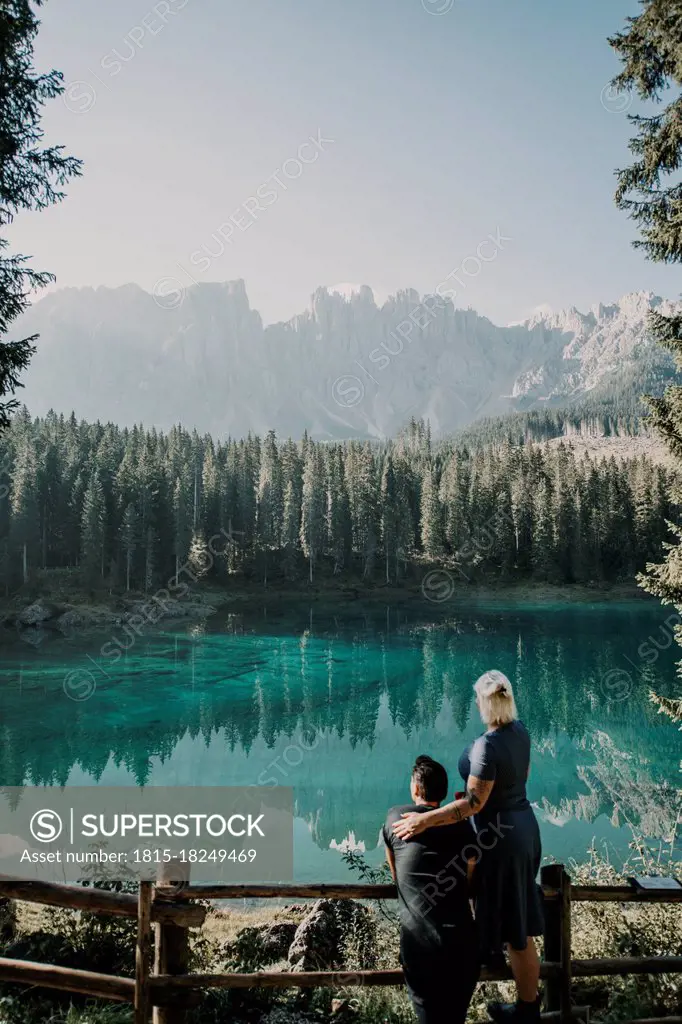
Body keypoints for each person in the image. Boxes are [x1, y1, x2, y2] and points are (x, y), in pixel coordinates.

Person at [392, 671, 543, 1023]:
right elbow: (520, 777)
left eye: (477, 698)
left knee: (516, 930)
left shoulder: (488, 745)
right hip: (523, 827)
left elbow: (473, 804)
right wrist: (492, 798)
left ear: (484, 702)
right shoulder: (519, 732)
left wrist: (424, 820)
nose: (475, 703)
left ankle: (522, 1008)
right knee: (516, 920)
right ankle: (524, 1003)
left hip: (500, 839)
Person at [383, 755, 481, 1024]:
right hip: (462, 940)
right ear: (445, 793)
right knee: (454, 1017)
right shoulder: (463, 828)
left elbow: (395, 873)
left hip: (419, 941)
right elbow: (472, 874)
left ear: (415, 789)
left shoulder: (395, 819)